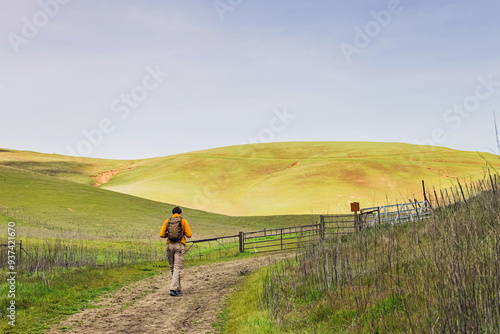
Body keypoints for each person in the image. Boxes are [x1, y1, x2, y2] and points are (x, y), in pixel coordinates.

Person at [159, 206, 192, 296]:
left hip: (169, 246)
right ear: (180, 213)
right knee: (177, 267)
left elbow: (161, 234)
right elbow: (189, 234)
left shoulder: (167, 221)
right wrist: (182, 233)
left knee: (172, 267)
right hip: (179, 245)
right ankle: (173, 289)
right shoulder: (183, 221)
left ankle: (178, 288)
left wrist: (168, 234)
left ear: (172, 213)